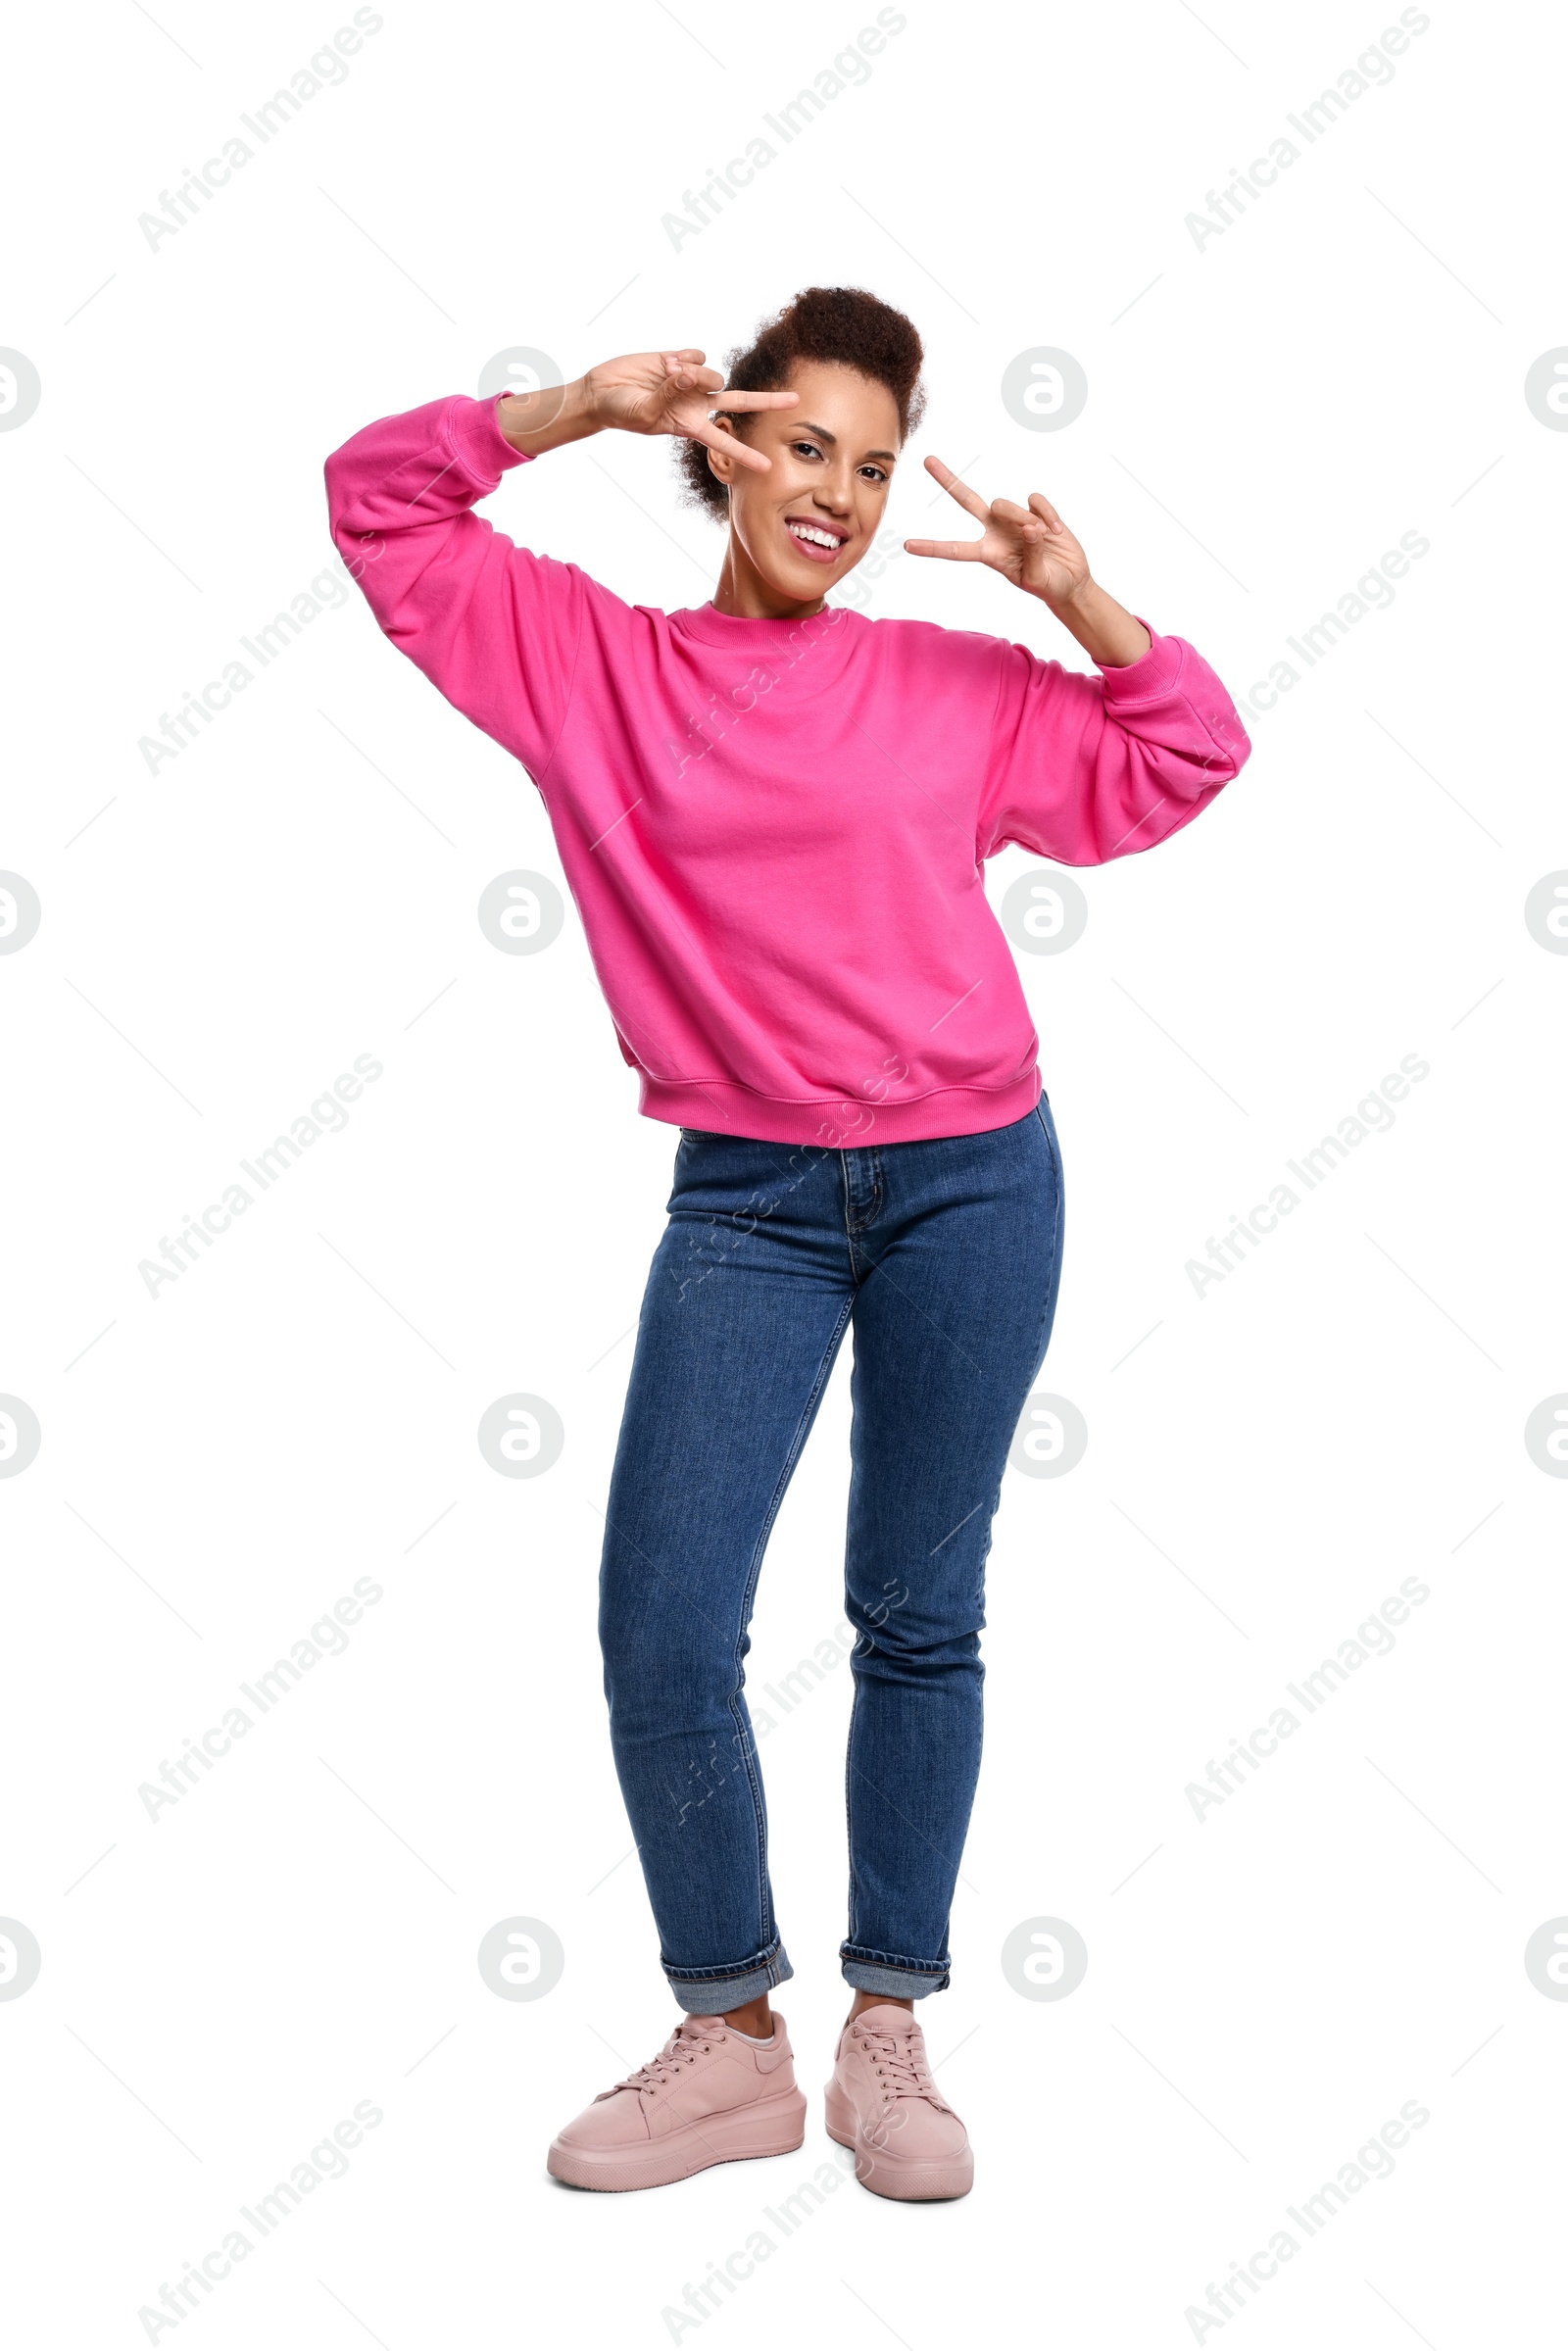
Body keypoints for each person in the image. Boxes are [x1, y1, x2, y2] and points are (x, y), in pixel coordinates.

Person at [324, 285, 1250, 2201]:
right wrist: (576, 406)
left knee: (915, 1616)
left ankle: (888, 2035)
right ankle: (731, 2036)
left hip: (973, 1184)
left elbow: (1182, 754)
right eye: (802, 443)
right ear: (726, 446)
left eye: (874, 462)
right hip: (742, 1201)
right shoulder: (583, 662)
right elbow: (375, 503)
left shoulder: (939, 685)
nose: (835, 491)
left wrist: (1067, 595)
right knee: (664, 1628)